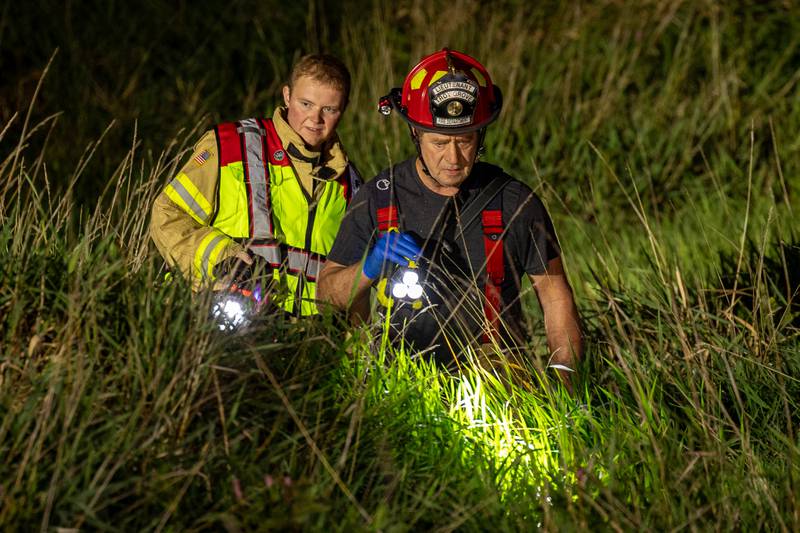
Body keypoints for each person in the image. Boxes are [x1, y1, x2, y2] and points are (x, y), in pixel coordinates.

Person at [316, 49, 581, 388]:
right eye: (439, 143)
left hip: (495, 388)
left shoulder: (515, 202)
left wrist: (565, 382)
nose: (453, 158)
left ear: (480, 136)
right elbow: (326, 296)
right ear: (415, 134)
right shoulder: (379, 197)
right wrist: (368, 267)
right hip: (396, 387)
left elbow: (555, 295)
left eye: (465, 141)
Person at [151, 54, 361, 316]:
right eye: (305, 103)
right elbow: (167, 214)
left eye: (328, 109)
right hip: (216, 322)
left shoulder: (351, 187)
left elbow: (353, 283)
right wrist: (222, 256)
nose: (315, 119)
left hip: (305, 345)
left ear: (344, 108)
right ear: (287, 96)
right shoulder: (231, 146)